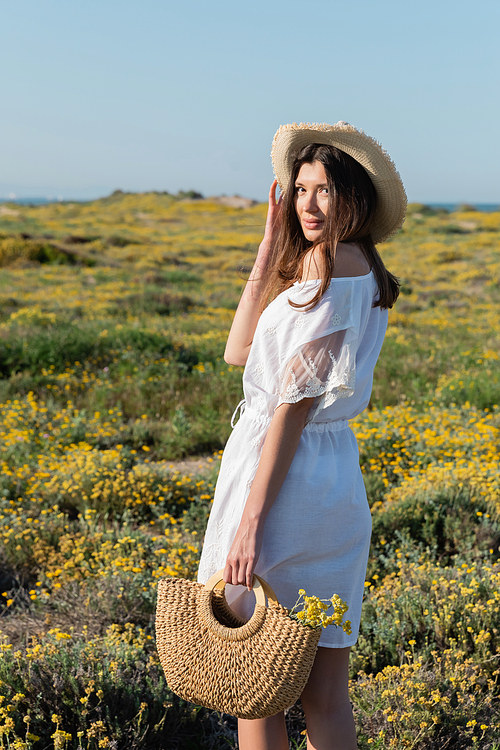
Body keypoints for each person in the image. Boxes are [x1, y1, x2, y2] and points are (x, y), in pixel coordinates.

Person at [197, 121, 407, 750]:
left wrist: (249, 523)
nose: (308, 205)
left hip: (281, 484)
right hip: (332, 483)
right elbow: (240, 350)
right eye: (301, 190)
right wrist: (269, 245)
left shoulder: (327, 265)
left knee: (252, 685)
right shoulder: (360, 265)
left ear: (356, 199)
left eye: (324, 192)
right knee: (324, 696)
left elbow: (291, 406)